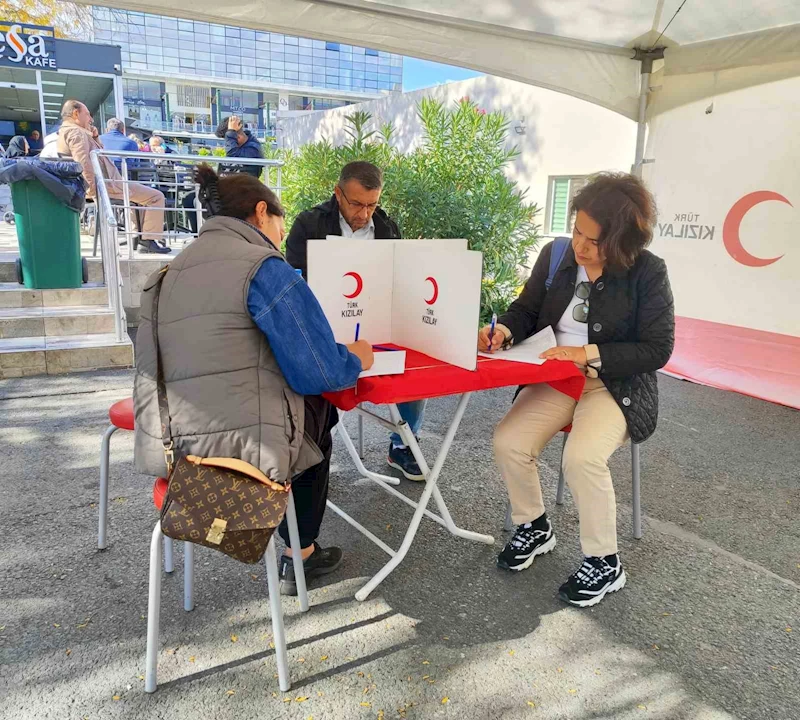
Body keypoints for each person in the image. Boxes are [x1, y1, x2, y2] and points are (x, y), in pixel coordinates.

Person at [133, 164, 375, 596]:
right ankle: (298, 553)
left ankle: (296, 544)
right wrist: (355, 357)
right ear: (262, 212)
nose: (281, 233)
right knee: (318, 414)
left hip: (174, 452)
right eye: (280, 222)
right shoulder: (264, 266)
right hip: (239, 457)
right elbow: (319, 369)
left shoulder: (168, 271)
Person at [480, 172, 674, 608]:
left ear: (622, 243)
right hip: (555, 378)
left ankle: (605, 561)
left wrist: (587, 353)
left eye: (593, 240)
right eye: (576, 231)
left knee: (582, 458)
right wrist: (504, 331)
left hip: (613, 383)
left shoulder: (647, 271)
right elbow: (527, 309)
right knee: (508, 441)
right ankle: (534, 526)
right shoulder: (556, 255)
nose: (580, 246)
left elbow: (658, 348)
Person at [285, 161, 428, 481]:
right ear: (338, 194)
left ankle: (403, 443)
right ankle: (309, 447)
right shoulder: (310, 224)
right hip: (323, 323)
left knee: (412, 361)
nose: (364, 214)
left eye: (372, 205)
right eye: (356, 204)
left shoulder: (387, 228)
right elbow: (293, 279)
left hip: (376, 320)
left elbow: (399, 278)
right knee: (303, 370)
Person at [57, 100, 169, 254]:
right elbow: (83, 163)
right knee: (156, 196)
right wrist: (93, 191)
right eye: (87, 114)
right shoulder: (76, 133)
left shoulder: (67, 132)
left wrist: (95, 137)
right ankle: (147, 240)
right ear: (76, 114)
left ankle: (138, 235)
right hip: (106, 186)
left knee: (138, 197)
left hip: (108, 184)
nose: (90, 119)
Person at [181, 114, 265, 233]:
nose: (225, 145)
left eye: (227, 140)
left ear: (238, 137)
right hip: (228, 186)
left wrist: (231, 133)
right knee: (188, 199)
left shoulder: (252, 149)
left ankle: (210, 233)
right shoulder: (239, 148)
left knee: (199, 200)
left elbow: (232, 157)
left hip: (240, 191)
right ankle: (197, 234)